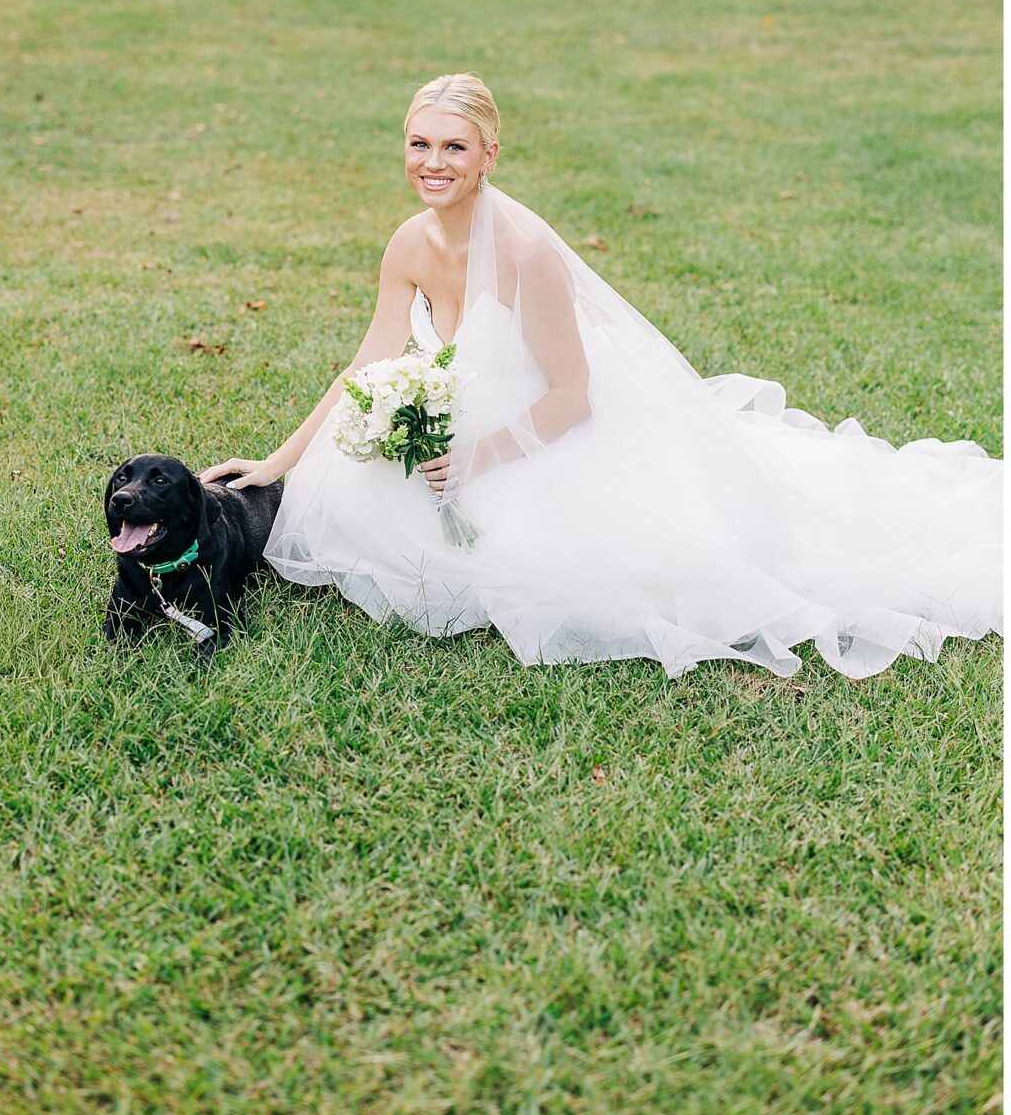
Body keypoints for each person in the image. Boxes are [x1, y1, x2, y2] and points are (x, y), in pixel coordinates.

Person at [202, 73, 1001, 679]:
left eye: (454, 147)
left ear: (488, 155)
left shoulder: (524, 254)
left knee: (657, 566)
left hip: (546, 433)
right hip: (459, 423)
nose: (433, 163)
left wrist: (475, 458)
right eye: (419, 144)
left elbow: (571, 397)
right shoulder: (409, 242)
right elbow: (368, 364)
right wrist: (276, 464)